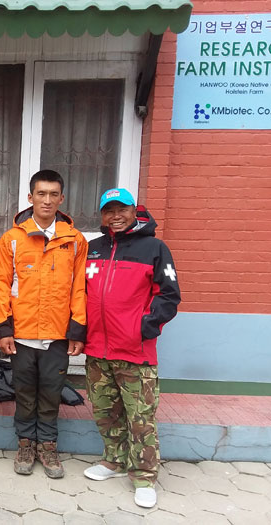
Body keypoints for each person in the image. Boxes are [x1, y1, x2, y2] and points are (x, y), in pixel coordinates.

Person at [82, 188, 180, 509]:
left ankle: (144, 476)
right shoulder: (94, 249)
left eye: (121, 209)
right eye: (109, 211)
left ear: (133, 211)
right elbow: (80, 293)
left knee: (140, 417)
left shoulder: (154, 248)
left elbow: (169, 295)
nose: (116, 217)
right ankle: (113, 460)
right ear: (102, 215)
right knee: (105, 412)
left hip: (135, 352)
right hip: (97, 350)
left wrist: (143, 328)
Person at [0, 169, 87, 479]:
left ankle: (47, 445)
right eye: (41, 194)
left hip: (57, 335)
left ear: (62, 199)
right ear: (30, 197)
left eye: (53, 194)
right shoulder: (12, 239)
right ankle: (25, 444)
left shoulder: (75, 240)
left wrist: (77, 329)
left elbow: (79, 288)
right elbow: (1, 286)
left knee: (51, 392)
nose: (47, 200)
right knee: (24, 392)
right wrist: (4, 329)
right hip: (21, 335)